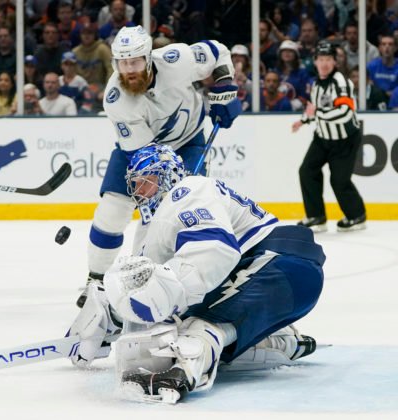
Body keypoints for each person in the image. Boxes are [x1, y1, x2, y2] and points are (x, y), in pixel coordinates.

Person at [69, 143, 325, 404]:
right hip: (284, 276)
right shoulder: (162, 217)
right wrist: (113, 314)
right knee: (192, 327)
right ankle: (280, 341)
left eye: (147, 182)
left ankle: (180, 373)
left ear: (168, 176)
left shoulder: (186, 191)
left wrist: (156, 302)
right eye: (135, 185)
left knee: (196, 328)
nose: (140, 192)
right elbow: (146, 284)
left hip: (277, 263)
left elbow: (215, 251)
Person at [78, 25, 241, 308]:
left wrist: (225, 86)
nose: (128, 69)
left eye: (135, 61)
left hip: (189, 143)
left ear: (149, 58)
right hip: (141, 153)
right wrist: (151, 197)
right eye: (122, 62)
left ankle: (150, 280)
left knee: (170, 215)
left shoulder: (177, 59)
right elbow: (146, 163)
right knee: (112, 212)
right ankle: (97, 280)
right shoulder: (116, 99)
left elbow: (218, 52)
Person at [291, 42, 366, 233]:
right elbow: (313, 108)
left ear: (335, 61)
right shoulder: (316, 83)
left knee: (339, 181)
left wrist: (317, 113)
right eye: (321, 59)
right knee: (307, 171)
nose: (324, 63)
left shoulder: (341, 82)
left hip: (345, 140)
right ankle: (316, 216)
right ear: (315, 61)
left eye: (328, 60)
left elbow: (345, 112)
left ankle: (356, 216)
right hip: (322, 138)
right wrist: (303, 120)